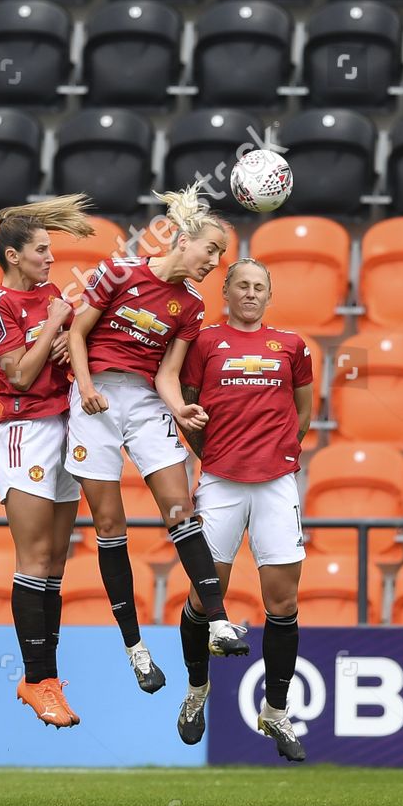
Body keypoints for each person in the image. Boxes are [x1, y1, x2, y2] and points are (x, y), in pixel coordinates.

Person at [65, 183, 249, 697]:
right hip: (95, 398)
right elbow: (79, 332)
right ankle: (136, 650)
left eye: (220, 255)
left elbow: (168, 373)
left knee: (179, 509)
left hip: (145, 402)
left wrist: (179, 407)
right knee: (109, 523)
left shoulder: (189, 306)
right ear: (184, 240)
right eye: (211, 249)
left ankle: (217, 620)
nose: (215, 262)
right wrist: (84, 386)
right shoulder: (118, 271)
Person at [165, 258, 312, 761]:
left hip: (276, 484)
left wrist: (283, 452)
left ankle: (275, 711)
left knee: (283, 602)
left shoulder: (291, 345)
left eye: (259, 287)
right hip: (221, 482)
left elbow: (305, 406)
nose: (250, 293)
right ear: (225, 291)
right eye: (242, 285)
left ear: (269, 296)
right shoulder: (204, 343)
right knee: (207, 599)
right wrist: (213, 452)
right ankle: (196, 690)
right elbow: (185, 407)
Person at [0, 195, 96, 728]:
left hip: (66, 427)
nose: (50, 259)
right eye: (41, 251)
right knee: (32, 558)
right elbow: (20, 376)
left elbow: (57, 353)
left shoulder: (51, 295)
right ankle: (33, 678)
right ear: (12, 256)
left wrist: (69, 344)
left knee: (55, 562)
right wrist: (54, 326)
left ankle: (48, 679)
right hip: (25, 432)